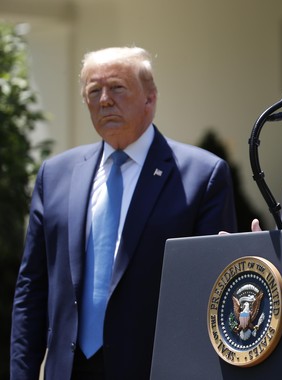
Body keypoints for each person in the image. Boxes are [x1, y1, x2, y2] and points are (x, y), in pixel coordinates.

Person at [10, 47, 237, 380]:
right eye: (93, 91)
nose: (104, 100)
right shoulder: (55, 175)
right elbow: (32, 287)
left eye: (117, 87)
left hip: (156, 369)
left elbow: (213, 292)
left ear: (150, 98)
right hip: (69, 369)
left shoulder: (202, 175)